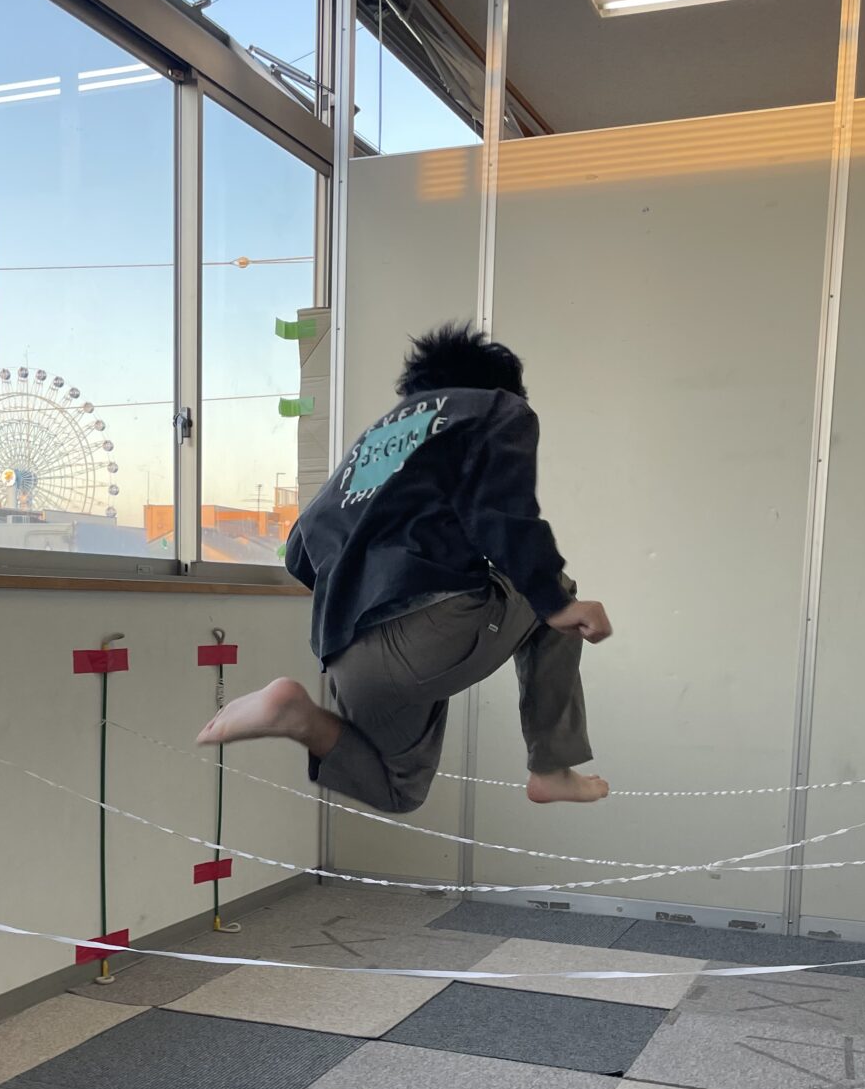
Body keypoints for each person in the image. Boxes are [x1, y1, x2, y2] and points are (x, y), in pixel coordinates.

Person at [197, 322, 612, 814]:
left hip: (349, 655)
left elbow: (299, 552)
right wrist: (557, 604)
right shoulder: (491, 408)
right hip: (428, 637)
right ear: (499, 386)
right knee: (560, 595)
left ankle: (296, 714)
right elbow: (503, 516)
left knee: (400, 790)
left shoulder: (379, 441)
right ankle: (551, 768)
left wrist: (365, 591)